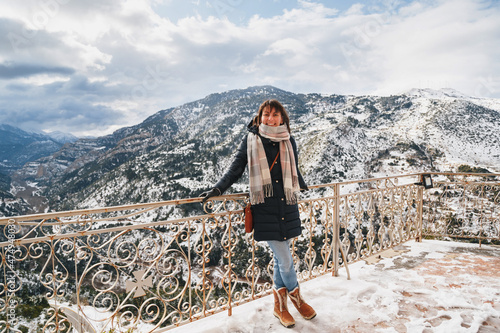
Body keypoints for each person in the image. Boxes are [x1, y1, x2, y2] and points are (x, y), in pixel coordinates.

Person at [200, 99, 316, 328]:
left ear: (282, 118)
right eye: (266, 114)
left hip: (288, 205)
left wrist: (301, 183)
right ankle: (297, 299)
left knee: (279, 259)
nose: (270, 119)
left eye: (275, 115)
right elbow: (236, 167)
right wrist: (218, 189)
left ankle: (279, 307)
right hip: (265, 207)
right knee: (285, 260)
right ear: (260, 116)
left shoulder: (288, 139)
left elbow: (294, 167)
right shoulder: (251, 140)